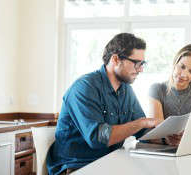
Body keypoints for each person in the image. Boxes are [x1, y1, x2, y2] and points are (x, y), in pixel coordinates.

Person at [46, 33, 160, 175]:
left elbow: (142, 131)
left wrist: (165, 136)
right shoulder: (84, 87)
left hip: (108, 163)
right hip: (76, 167)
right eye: (136, 63)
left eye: (142, 63)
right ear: (116, 59)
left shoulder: (126, 90)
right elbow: (98, 138)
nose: (141, 69)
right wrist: (142, 123)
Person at [149, 44, 191, 146]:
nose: (183, 75)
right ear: (175, 62)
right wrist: (168, 140)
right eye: (182, 66)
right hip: (166, 153)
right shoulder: (157, 90)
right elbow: (155, 134)